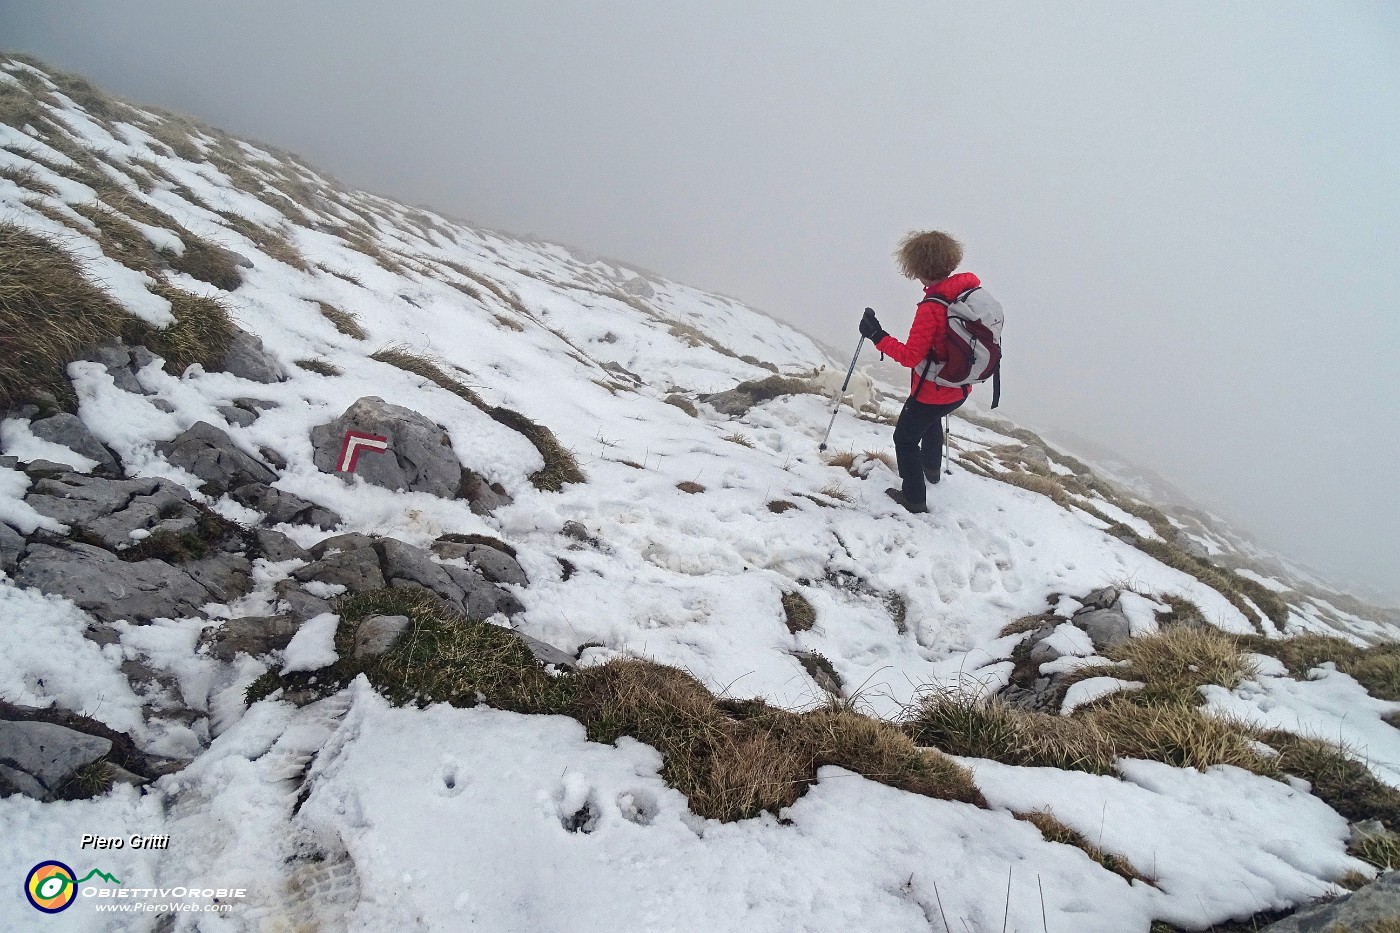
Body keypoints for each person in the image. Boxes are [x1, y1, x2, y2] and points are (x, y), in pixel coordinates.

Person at [859, 230, 981, 514]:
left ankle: (913, 498)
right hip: (959, 387)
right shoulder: (968, 294)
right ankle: (932, 469)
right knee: (932, 419)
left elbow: (910, 356)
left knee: (904, 439)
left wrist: (877, 335)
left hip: (933, 390)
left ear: (917, 267)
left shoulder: (932, 307)